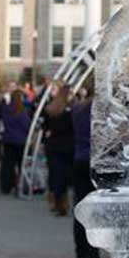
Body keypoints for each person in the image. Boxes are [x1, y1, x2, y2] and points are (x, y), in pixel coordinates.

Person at [71, 76, 100, 258]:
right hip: (95, 160)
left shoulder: (77, 108)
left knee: (80, 207)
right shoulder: (100, 110)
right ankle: (91, 254)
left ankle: (81, 252)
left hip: (79, 158)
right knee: (95, 211)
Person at [43, 85, 75, 217]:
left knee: (55, 175)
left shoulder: (50, 109)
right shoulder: (71, 111)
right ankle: (65, 202)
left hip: (53, 146)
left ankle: (57, 202)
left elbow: (45, 127)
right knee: (66, 176)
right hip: (68, 146)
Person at [0, 89, 31, 196]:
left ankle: (6, 185)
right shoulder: (21, 112)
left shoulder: (6, 110)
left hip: (8, 139)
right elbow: (27, 126)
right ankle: (21, 185)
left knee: (7, 164)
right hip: (20, 141)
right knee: (21, 165)